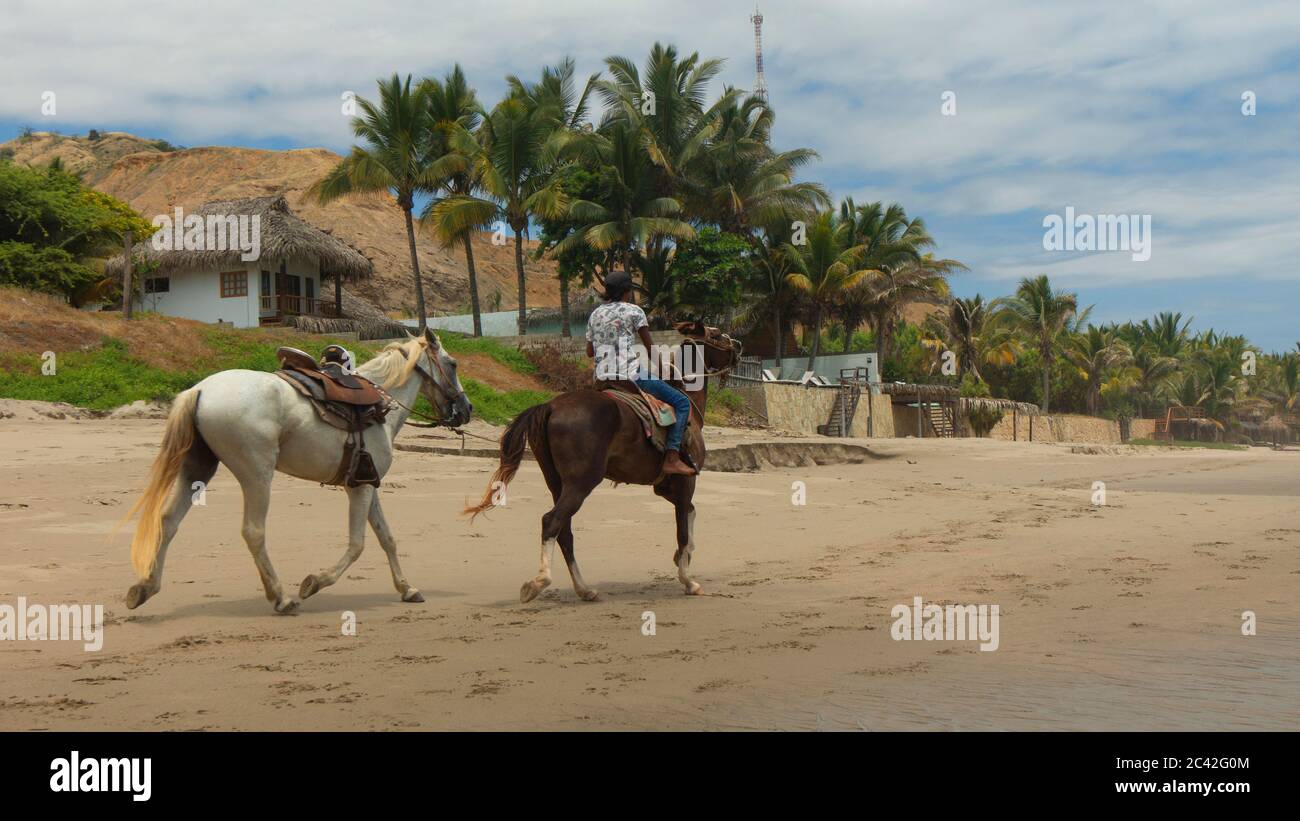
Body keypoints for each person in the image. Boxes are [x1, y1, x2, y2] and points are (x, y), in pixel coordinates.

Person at [586, 271, 696, 476]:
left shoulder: (595, 314)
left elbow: (589, 351)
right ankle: (672, 457)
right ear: (627, 291)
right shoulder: (634, 312)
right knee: (682, 403)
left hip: (601, 378)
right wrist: (664, 370)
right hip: (630, 375)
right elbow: (650, 349)